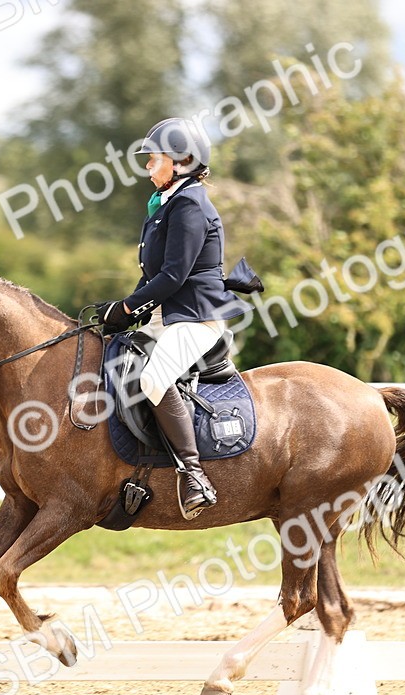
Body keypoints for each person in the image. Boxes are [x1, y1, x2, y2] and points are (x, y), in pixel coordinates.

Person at [95, 118, 243, 517]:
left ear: (183, 160)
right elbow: (154, 277)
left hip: (197, 320)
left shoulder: (191, 205)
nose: (147, 167)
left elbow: (174, 275)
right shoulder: (167, 204)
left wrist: (126, 308)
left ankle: (194, 475)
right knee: (111, 357)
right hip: (168, 317)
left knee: (154, 378)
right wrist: (125, 313)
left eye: (153, 159)